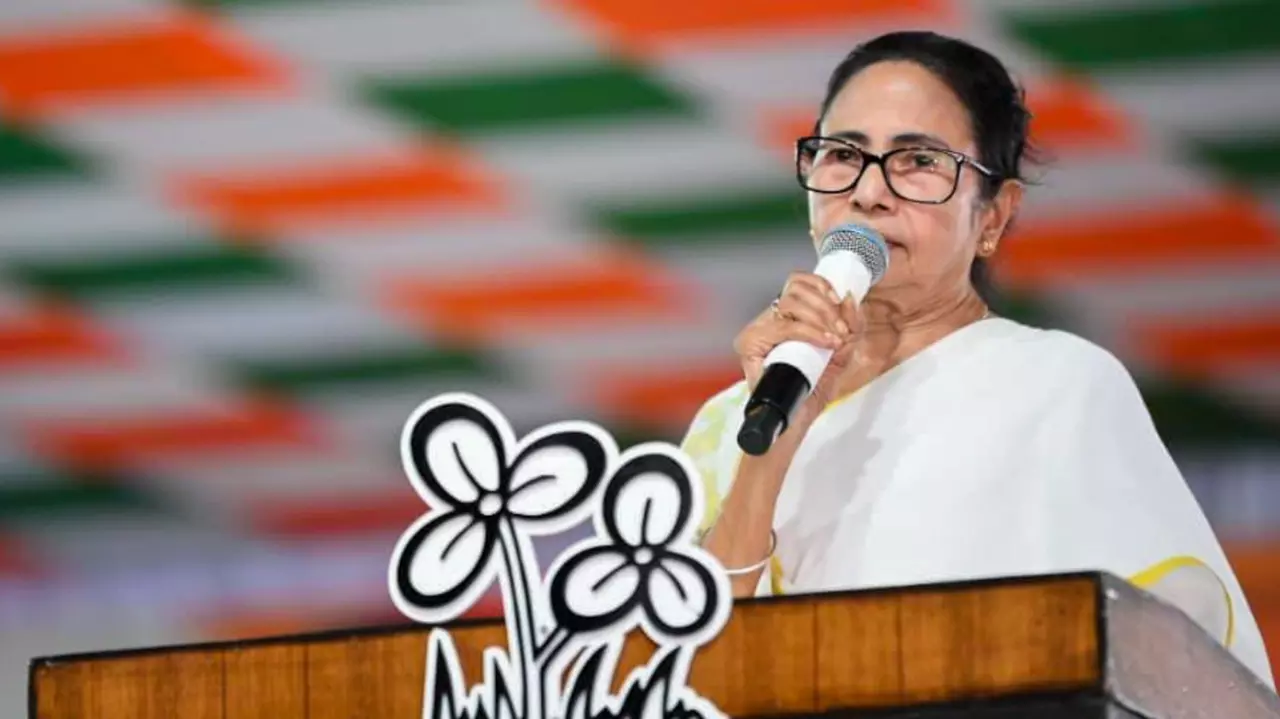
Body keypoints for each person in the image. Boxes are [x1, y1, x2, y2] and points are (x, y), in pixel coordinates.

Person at [682, 30, 1275, 689]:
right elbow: (684, 675)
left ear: (993, 216)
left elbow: (1173, 669)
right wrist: (769, 454)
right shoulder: (731, 419)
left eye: (918, 162)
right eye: (843, 153)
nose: (869, 192)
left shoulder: (1054, 385)